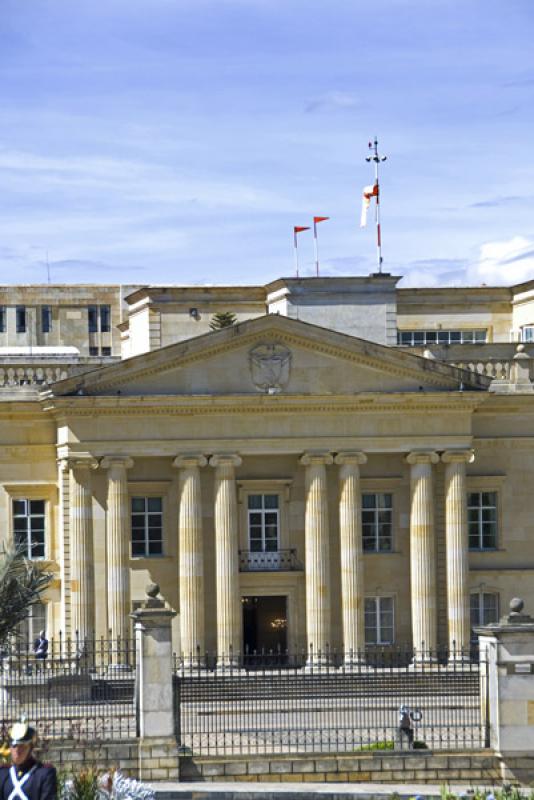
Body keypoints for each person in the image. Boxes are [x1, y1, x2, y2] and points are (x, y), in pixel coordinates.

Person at [0, 721, 56, 800]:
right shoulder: (3, 773)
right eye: (14, 745)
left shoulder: (43, 774)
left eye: (22, 746)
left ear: (30, 747)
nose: (17, 750)